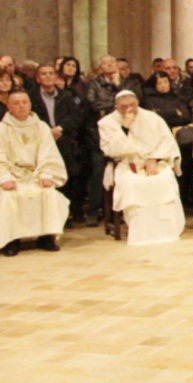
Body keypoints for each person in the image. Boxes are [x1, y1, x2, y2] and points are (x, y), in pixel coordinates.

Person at [99, 91, 184, 246]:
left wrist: (154, 158)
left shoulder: (153, 118)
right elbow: (111, 151)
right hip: (126, 164)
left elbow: (168, 143)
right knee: (134, 183)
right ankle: (140, 230)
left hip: (154, 161)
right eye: (124, 107)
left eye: (132, 105)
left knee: (164, 179)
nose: (129, 109)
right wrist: (124, 127)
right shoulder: (106, 123)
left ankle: (167, 229)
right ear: (116, 107)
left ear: (138, 103)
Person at [0, 90, 68, 256]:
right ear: (8, 107)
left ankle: (46, 238)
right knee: (8, 197)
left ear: (30, 104)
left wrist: (46, 174)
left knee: (48, 193)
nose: (21, 106)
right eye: (16, 103)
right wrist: (4, 177)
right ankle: (11, 240)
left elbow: (49, 153)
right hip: (12, 176)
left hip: (36, 174)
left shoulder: (41, 126)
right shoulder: (2, 129)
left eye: (25, 102)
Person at [30, 64, 92, 226]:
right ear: (38, 78)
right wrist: (47, 131)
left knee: (67, 175)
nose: (48, 76)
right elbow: (30, 116)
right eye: (44, 74)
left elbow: (76, 116)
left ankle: (66, 214)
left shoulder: (67, 96)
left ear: (56, 77)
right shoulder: (31, 97)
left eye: (51, 73)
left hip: (64, 138)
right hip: (39, 140)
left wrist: (60, 128)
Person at [87, 55, 122, 119]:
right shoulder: (94, 83)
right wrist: (115, 104)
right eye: (105, 63)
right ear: (100, 69)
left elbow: (129, 98)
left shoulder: (128, 81)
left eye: (112, 62)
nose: (109, 64)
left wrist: (117, 85)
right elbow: (92, 103)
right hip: (102, 117)